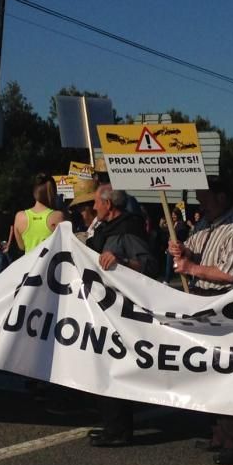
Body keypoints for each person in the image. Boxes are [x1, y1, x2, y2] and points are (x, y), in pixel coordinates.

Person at [169, 177, 233, 465]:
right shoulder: (203, 224)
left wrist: (191, 267)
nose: (200, 202)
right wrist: (182, 251)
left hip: (225, 307)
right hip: (201, 301)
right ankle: (217, 433)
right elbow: (191, 249)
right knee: (207, 372)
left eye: (205, 197)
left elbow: (230, 273)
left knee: (225, 374)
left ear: (222, 198)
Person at [85, 184, 158, 448]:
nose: (93, 207)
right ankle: (111, 424)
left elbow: (149, 265)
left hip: (120, 310)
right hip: (102, 306)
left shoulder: (129, 229)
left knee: (111, 366)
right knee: (100, 365)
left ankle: (119, 428)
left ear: (109, 204)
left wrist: (122, 262)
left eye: (96, 202)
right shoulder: (105, 228)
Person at [13, 174, 65, 253]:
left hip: (29, 264)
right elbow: (64, 245)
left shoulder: (20, 216)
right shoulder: (58, 216)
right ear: (52, 193)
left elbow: (22, 247)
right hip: (51, 264)